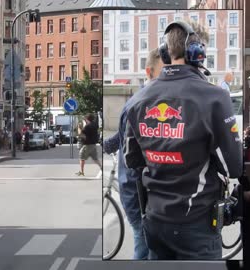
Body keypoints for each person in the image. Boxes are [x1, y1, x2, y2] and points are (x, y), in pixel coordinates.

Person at [123, 21, 242, 260]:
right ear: (197, 52)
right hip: (196, 225)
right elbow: (233, 166)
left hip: (155, 222)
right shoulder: (215, 98)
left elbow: (133, 160)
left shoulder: (137, 100)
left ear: (166, 52)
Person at [103, 48, 164, 259]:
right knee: (143, 244)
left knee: (146, 245)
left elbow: (119, 139)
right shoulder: (140, 104)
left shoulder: (150, 100)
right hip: (137, 193)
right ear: (149, 72)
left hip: (143, 193)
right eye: (163, 72)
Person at [76, 114, 102, 178]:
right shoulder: (95, 125)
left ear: (87, 119)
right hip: (93, 145)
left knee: (81, 157)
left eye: (85, 119)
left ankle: (82, 172)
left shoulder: (88, 126)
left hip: (87, 145)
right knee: (95, 158)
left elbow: (80, 134)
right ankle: (102, 168)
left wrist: (79, 127)